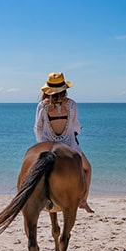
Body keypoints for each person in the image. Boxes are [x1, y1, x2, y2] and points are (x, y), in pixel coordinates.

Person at [34, 72, 94, 213]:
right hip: (69, 143)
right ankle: (83, 200)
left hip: (47, 143)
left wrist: (42, 145)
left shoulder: (42, 106)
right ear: (64, 89)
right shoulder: (72, 105)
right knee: (87, 168)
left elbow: (38, 128)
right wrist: (78, 131)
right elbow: (74, 125)